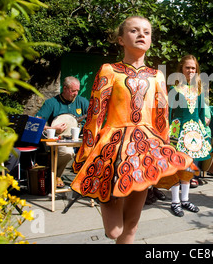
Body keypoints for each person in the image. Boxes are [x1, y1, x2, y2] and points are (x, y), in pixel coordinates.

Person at [70, 16, 194, 243]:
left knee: (131, 229)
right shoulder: (109, 70)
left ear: (151, 40)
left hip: (146, 148)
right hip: (112, 146)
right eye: (134, 31)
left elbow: (162, 117)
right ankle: (104, 198)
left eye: (146, 32)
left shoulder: (157, 76)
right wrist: (86, 152)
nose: (141, 35)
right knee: (114, 231)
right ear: (120, 39)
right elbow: (95, 113)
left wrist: (163, 151)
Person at [167, 55, 212, 216]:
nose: (191, 71)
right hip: (178, 132)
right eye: (188, 68)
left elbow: (200, 115)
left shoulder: (199, 91)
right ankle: (174, 201)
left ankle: (185, 199)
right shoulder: (174, 90)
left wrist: (204, 131)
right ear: (181, 70)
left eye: (193, 68)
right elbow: (169, 113)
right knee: (176, 165)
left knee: (188, 166)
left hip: (194, 134)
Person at [36, 76, 89, 188]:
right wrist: (53, 129)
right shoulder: (51, 103)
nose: (76, 93)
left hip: (79, 139)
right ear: (64, 89)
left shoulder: (82, 102)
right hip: (58, 140)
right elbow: (37, 123)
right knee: (67, 152)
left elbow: (93, 118)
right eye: (73, 91)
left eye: (77, 91)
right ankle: (56, 175)